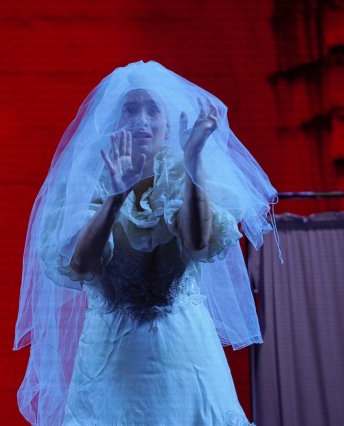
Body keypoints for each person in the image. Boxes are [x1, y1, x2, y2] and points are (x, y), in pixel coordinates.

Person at [14, 61, 280, 425]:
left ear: (167, 122)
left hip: (185, 355)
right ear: (113, 122)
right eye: (129, 110)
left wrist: (193, 162)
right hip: (111, 359)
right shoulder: (87, 182)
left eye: (152, 110)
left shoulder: (183, 171)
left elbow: (198, 242)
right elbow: (80, 265)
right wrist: (115, 196)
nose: (141, 120)